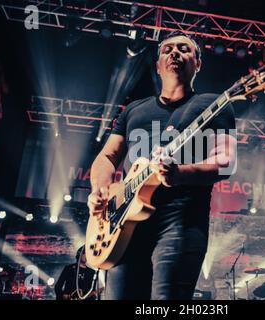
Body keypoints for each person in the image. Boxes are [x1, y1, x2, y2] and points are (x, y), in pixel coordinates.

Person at [88, 31, 237, 299]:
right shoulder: (134, 109)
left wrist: (180, 173)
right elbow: (107, 157)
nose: (174, 53)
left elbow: (226, 161)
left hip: (180, 222)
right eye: (167, 49)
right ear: (157, 65)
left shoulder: (214, 105)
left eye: (184, 49)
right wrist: (100, 189)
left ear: (198, 63)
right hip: (123, 224)